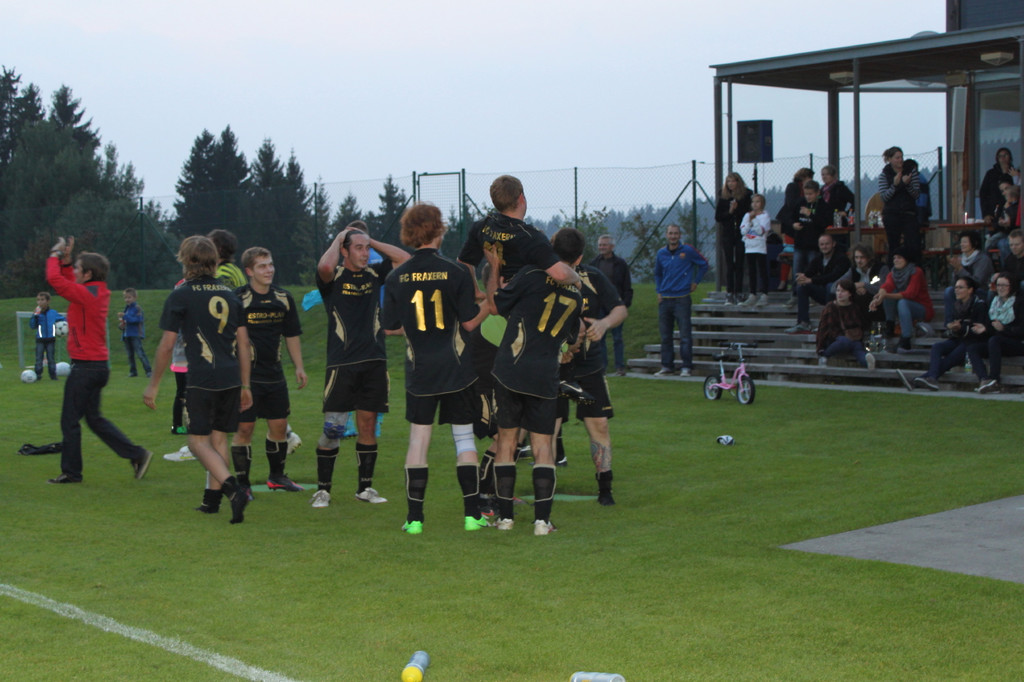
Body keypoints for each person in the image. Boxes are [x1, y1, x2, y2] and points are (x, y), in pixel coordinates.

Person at [380, 203, 492, 534]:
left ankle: (414, 520)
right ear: (439, 230)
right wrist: (489, 304)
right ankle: (472, 516)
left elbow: (390, 327)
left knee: (418, 440)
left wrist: (418, 327)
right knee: (463, 438)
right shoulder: (455, 272)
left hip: (420, 371)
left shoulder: (396, 276)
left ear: (408, 233)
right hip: (457, 368)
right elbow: (469, 323)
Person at [143, 235, 251, 523]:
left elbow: (167, 345)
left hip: (203, 376)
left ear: (186, 261)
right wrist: (246, 384)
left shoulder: (181, 294)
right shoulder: (231, 295)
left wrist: (153, 384)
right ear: (214, 262)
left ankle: (233, 489)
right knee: (218, 439)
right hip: (230, 375)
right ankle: (211, 502)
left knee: (196, 443)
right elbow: (244, 344)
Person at [485, 227, 583, 535]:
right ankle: (542, 521)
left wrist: (495, 267)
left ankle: (505, 518)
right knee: (543, 446)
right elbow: (572, 338)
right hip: (544, 375)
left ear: (550, 248)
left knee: (507, 442)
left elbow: (495, 305)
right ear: (579, 258)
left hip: (511, 369)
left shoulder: (530, 274)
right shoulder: (576, 294)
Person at [311, 221, 410, 509]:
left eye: (367, 249)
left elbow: (404, 259)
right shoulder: (334, 277)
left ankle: (364, 488)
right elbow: (324, 266)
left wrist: (370, 240)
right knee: (333, 428)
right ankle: (323, 491)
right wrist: (340, 237)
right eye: (358, 248)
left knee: (367, 426)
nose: (365, 253)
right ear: (345, 251)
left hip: (374, 361)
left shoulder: (375, 274)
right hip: (342, 363)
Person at [45, 236, 152, 484]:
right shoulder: (94, 291)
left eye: (77, 268)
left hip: (85, 368)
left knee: (70, 421)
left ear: (88, 274)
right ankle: (137, 455)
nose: (74, 272)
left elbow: (56, 282)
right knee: (93, 419)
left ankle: (72, 473)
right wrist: (66, 261)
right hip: (97, 367)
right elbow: (69, 283)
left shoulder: (86, 293)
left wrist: (54, 254)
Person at [229, 247, 308, 498]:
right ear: (249, 271)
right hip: (246, 378)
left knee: (279, 426)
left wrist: (299, 366)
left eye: (271, 264)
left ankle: (277, 477)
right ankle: (243, 484)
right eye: (262, 266)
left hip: (274, 374)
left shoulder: (283, 298)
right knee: (244, 429)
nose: (269, 270)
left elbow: (291, 334)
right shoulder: (237, 298)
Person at [557, 238, 627, 505]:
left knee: (599, 423)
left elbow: (620, 309)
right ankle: (545, 489)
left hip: (588, 366)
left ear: (578, 258)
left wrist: (604, 324)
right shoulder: (544, 277)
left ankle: (605, 487)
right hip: (555, 366)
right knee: (548, 428)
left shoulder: (593, 276)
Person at [458, 174, 579, 286]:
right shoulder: (531, 237)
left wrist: (475, 291)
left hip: (496, 294)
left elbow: (463, 263)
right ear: (521, 198)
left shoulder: (483, 226)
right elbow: (561, 275)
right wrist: (577, 278)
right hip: (524, 297)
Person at [900, 276, 988, 391]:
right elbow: (951, 330)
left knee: (951, 358)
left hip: (971, 342)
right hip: (958, 338)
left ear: (970, 290)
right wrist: (952, 329)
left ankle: (921, 379)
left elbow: (977, 330)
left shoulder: (979, 305)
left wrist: (961, 328)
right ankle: (930, 378)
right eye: (956, 287)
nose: (956, 290)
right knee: (937, 347)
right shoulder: (957, 305)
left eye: (960, 287)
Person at [654, 224, 708, 377]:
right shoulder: (661, 253)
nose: (673, 236)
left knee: (685, 335)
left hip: (682, 298)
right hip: (665, 299)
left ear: (680, 235)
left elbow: (704, 264)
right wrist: (659, 290)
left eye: (676, 233)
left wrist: (695, 282)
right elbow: (657, 273)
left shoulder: (688, 251)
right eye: (670, 233)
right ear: (666, 235)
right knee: (665, 335)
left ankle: (686, 366)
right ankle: (667, 366)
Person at [966, 272, 1024, 394]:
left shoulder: (1019, 303)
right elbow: (993, 329)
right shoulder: (994, 302)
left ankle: (994, 379)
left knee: (994, 340)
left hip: (1017, 343)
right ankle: (985, 379)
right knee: (973, 348)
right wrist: (985, 329)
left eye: (1004, 285)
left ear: (1012, 286)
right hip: (997, 344)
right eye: (998, 285)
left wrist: (1004, 329)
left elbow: (1021, 330)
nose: (1000, 288)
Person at [869, 247, 935, 353]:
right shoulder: (893, 273)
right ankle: (890, 324)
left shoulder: (916, 272)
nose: (896, 260)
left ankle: (906, 338)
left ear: (906, 259)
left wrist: (885, 295)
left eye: (899, 258)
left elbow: (910, 294)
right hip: (901, 307)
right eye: (894, 258)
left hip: (921, 307)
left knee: (902, 301)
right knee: (890, 294)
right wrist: (878, 298)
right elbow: (886, 286)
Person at [784, 233, 850, 333]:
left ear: (833, 244)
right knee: (802, 287)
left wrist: (812, 280)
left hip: (840, 294)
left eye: (827, 244)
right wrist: (803, 277)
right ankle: (803, 323)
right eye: (822, 244)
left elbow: (833, 276)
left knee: (830, 286)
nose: (824, 247)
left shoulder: (842, 258)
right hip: (824, 294)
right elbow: (809, 271)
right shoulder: (819, 258)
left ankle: (827, 323)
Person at [589, 234, 633, 375]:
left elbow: (627, 285)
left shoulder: (621, 264)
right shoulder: (594, 264)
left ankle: (620, 367)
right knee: (599, 337)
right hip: (599, 306)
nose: (602, 247)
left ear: (612, 246)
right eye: (600, 245)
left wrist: (625, 304)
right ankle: (602, 367)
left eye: (605, 245)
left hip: (615, 306)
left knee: (617, 338)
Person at [782, 179, 831, 306]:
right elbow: (789, 216)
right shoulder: (800, 202)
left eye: (810, 194)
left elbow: (824, 223)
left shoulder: (823, 206)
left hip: (814, 245)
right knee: (797, 270)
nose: (808, 197)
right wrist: (793, 224)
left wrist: (810, 215)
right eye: (806, 194)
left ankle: (812, 295)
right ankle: (795, 295)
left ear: (817, 193)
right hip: (800, 244)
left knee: (812, 270)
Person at [816, 279, 874, 369]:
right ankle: (825, 355)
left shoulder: (854, 307)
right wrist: (820, 347)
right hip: (835, 339)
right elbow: (823, 328)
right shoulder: (830, 307)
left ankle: (867, 362)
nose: (839, 293)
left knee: (858, 348)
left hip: (852, 338)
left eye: (843, 291)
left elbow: (860, 325)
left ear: (850, 293)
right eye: (838, 291)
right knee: (845, 342)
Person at [877, 146, 921, 264]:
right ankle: (893, 269)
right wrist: (895, 185)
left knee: (913, 245)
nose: (900, 160)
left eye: (901, 157)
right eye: (897, 158)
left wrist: (907, 184)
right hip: (891, 214)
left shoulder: (911, 172)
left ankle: (914, 268)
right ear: (890, 159)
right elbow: (884, 197)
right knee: (893, 245)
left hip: (909, 213)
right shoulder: (884, 175)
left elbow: (916, 194)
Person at [714, 172, 753, 304]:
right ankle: (730, 292)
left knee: (740, 263)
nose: (731, 184)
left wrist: (738, 209)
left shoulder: (746, 195)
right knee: (729, 264)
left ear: (738, 182)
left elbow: (749, 213)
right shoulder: (723, 197)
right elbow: (718, 217)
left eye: (733, 181)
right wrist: (730, 211)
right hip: (728, 234)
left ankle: (739, 291)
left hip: (741, 233)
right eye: (728, 181)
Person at [775, 168, 814, 292]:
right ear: (804, 177)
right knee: (788, 253)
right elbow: (791, 204)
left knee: (799, 255)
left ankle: (797, 283)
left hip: (802, 224)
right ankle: (783, 281)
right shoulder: (793, 187)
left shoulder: (808, 191)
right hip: (790, 224)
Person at [943, 231, 993, 325]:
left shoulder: (983, 259)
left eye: (965, 242)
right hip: (963, 289)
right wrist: (956, 271)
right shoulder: (960, 258)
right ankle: (949, 324)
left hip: (980, 290)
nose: (962, 244)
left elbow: (977, 282)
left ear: (974, 243)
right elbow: (953, 283)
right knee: (949, 291)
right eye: (961, 242)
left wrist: (960, 269)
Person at [738, 193, 770, 307]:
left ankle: (764, 294)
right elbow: (743, 231)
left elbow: (760, 231)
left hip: (760, 247)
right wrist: (749, 222)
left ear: (762, 204)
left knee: (762, 270)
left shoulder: (765, 216)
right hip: (749, 247)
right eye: (753, 202)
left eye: (758, 202)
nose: (755, 204)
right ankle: (752, 294)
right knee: (751, 271)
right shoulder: (747, 215)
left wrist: (754, 220)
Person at [843, 243, 889, 323]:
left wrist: (864, 285)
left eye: (862, 257)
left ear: (869, 257)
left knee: (862, 297)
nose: (859, 261)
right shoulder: (853, 270)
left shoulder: (881, 268)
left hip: (877, 300)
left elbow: (883, 289)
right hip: (859, 301)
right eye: (856, 257)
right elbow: (835, 286)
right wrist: (854, 288)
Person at [979, 147, 1019, 226]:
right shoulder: (991, 174)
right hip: (993, 213)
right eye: (1000, 156)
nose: (1003, 158)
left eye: (1005, 155)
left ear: (1010, 157)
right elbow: (983, 194)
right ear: (997, 158)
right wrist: (986, 214)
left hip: (1011, 212)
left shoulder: (1014, 173)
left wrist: (1016, 177)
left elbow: (1018, 191)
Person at [30, 291, 65, 381]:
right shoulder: (37, 314)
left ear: (48, 301)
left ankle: (53, 375)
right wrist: (35, 316)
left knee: (51, 358)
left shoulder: (53, 313)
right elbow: (32, 326)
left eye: (42, 300)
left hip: (51, 339)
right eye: (38, 300)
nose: (40, 302)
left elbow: (63, 319)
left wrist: (64, 326)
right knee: (39, 358)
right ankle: (38, 374)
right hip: (40, 339)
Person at [117, 288, 152, 378]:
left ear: (135, 297)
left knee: (140, 353)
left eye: (129, 297)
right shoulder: (126, 309)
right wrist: (121, 325)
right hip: (126, 334)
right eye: (125, 298)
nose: (127, 299)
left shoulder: (137, 308)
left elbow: (137, 320)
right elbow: (126, 321)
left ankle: (148, 371)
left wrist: (125, 316)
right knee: (130, 355)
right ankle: (133, 371)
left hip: (135, 334)